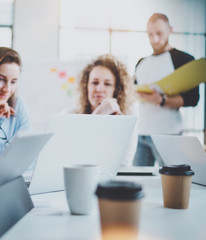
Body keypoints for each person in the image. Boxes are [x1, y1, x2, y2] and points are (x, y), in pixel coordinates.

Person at [133, 13, 199, 166]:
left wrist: (162, 100)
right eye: (150, 34)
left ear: (170, 30)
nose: (155, 39)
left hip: (168, 134)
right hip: (142, 133)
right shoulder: (141, 63)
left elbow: (192, 99)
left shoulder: (185, 60)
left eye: (159, 33)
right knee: (139, 180)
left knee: (171, 181)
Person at [71, 54, 136, 166]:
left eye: (107, 84)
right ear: (86, 86)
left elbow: (123, 164)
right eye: (94, 82)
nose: (99, 89)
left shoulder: (126, 122)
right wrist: (96, 117)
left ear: (116, 90)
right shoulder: (69, 115)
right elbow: (69, 157)